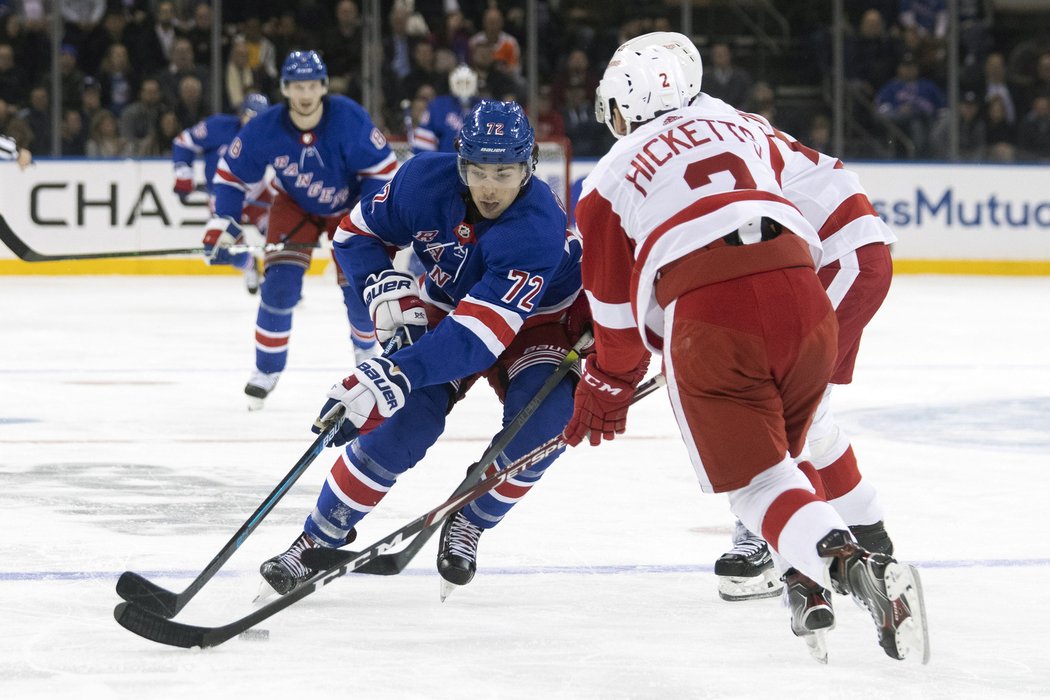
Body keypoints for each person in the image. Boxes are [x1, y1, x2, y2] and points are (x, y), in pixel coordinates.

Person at [568, 44, 927, 663]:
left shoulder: (605, 178)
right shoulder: (738, 124)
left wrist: (607, 383)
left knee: (763, 477)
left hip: (724, 309)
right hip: (802, 283)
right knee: (796, 432)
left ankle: (838, 559)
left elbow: (618, 329)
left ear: (622, 107)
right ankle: (827, 559)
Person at [258, 100, 586, 603]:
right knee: (402, 423)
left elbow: (480, 339)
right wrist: (383, 290)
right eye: (478, 169)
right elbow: (354, 235)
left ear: (528, 168)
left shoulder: (535, 225)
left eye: (506, 171)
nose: (490, 185)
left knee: (547, 425)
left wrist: (395, 370)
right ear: (461, 163)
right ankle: (315, 540)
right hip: (452, 306)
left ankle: (469, 521)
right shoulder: (421, 182)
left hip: (541, 325)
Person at [207, 50, 398, 410]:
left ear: (323, 86)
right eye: (297, 87)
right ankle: (266, 370)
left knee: (361, 291)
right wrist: (224, 223)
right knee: (278, 287)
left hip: (351, 206)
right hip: (294, 206)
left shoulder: (349, 118)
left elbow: (383, 172)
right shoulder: (265, 128)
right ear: (285, 89)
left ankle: (366, 356)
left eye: (312, 86)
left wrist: (372, 223)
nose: (305, 94)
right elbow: (231, 177)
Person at [172, 92, 271, 294]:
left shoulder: (270, 136)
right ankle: (249, 265)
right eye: (249, 118)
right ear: (241, 114)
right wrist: (183, 173)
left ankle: (280, 278)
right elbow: (183, 141)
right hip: (223, 197)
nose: (253, 125)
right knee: (224, 248)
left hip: (257, 194)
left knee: (278, 237)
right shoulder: (217, 127)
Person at [410, 64, 481, 153]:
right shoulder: (437, 106)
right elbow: (423, 149)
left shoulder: (487, 108)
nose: (464, 87)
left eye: (467, 82)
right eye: (460, 82)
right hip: (446, 164)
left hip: (479, 165)